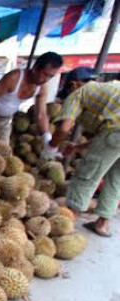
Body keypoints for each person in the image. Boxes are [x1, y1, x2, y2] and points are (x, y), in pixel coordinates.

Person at [42, 68, 120, 237]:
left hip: (116, 133)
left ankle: (68, 222)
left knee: (88, 173)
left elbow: (63, 128)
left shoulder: (80, 92)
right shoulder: (107, 92)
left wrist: (50, 148)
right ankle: (102, 224)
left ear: (73, 84)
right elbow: (106, 139)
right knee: (115, 178)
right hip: (115, 135)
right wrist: (77, 148)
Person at [0, 51, 64, 145]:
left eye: (51, 76)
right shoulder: (14, 78)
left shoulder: (41, 88)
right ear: (35, 69)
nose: (46, 79)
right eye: (45, 74)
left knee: (3, 152)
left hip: (5, 120)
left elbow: (41, 115)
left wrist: (47, 138)